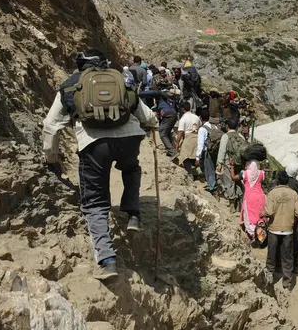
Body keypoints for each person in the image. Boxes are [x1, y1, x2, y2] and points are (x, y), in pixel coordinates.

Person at [42, 49, 157, 280]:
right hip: (130, 138)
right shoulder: (120, 79)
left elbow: (50, 125)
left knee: (95, 199)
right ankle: (133, 214)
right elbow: (146, 115)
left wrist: (51, 158)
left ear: (80, 64)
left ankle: (107, 260)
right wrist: (152, 126)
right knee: (131, 167)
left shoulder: (71, 84)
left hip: (94, 143)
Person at [262, 170, 298, 289]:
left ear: (278, 181)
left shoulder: (272, 193)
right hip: (288, 229)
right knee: (287, 256)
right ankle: (287, 283)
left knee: (271, 254)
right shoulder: (293, 193)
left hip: (274, 228)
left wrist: (262, 213)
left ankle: (269, 277)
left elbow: (269, 211)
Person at [270, 163, 298, 273]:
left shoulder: (278, 182)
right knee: (293, 241)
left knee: (276, 240)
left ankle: (277, 265)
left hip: (277, 216)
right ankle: (294, 265)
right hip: (292, 217)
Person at [139, 86, 179, 158]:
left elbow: (154, 92)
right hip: (172, 114)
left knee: (162, 133)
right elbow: (161, 120)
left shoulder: (159, 94)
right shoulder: (164, 100)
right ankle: (170, 151)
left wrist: (139, 94)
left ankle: (173, 152)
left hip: (168, 114)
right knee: (167, 132)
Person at [230, 160, 266, 239]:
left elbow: (233, 178)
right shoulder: (261, 173)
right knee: (259, 215)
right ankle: (261, 234)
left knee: (250, 216)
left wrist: (232, 167)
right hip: (260, 196)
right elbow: (262, 177)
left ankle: (253, 234)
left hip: (250, 197)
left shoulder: (245, 173)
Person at [216, 119, 245, 211]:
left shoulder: (225, 136)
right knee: (237, 181)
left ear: (227, 127)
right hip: (240, 162)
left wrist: (219, 163)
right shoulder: (240, 136)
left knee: (229, 182)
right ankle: (239, 202)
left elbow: (222, 151)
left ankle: (232, 204)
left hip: (228, 161)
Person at [176, 101, 202, 179]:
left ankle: (190, 173)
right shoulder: (196, 117)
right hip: (197, 137)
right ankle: (198, 171)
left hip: (188, 137)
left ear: (182, 109)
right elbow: (200, 125)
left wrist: (177, 143)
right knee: (194, 155)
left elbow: (180, 132)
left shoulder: (183, 119)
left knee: (185, 156)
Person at [196, 109, 218, 193]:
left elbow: (200, 144)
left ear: (200, 118)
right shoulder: (214, 126)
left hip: (207, 151)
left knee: (208, 169)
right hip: (215, 150)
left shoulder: (202, 129)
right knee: (213, 168)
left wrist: (198, 157)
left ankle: (212, 187)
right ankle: (214, 183)